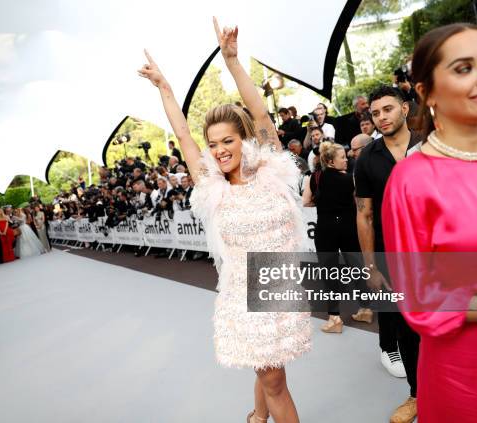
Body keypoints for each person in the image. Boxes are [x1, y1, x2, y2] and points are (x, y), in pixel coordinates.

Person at [139, 18, 310, 423]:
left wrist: (233, 62)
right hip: (240, 294)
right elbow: (182, 135)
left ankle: (258, 414)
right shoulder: (212, 185)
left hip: (277, 286)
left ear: (244, 139)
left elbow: (260, 113)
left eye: (227, 141)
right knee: (267, 371)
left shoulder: (270, 169)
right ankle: (258, 415)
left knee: (273, 377)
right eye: (213, 144)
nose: (218, 151)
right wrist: (165, 89)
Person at [382, 23, 477, 423]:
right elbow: (419, 298)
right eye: (464, 68)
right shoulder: (412, 180)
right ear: (426, 93)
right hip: (464, 374)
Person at [354, 85, 421, 423]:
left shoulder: (432, 144)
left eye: (388, 109)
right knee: (405, 328)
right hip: (391, 258)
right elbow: (364, 214)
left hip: (437, 254)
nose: (381, 117)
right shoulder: (367, 158)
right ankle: (416, 395)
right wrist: (370, 267)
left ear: (405, 109)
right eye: (375, 113)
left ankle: (449, 390)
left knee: (448, 322)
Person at [302, 142, 372, 332]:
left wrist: (323, 202)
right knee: (356, 268)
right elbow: (361, 204)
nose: (346, 160)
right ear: (331, 161)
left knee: (329, 274)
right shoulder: (352, 179)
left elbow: (306, 201)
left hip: (326, 230)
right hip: (349, 229)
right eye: (342, 158)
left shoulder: (314, 178)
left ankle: (335, 319)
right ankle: (365, 309)